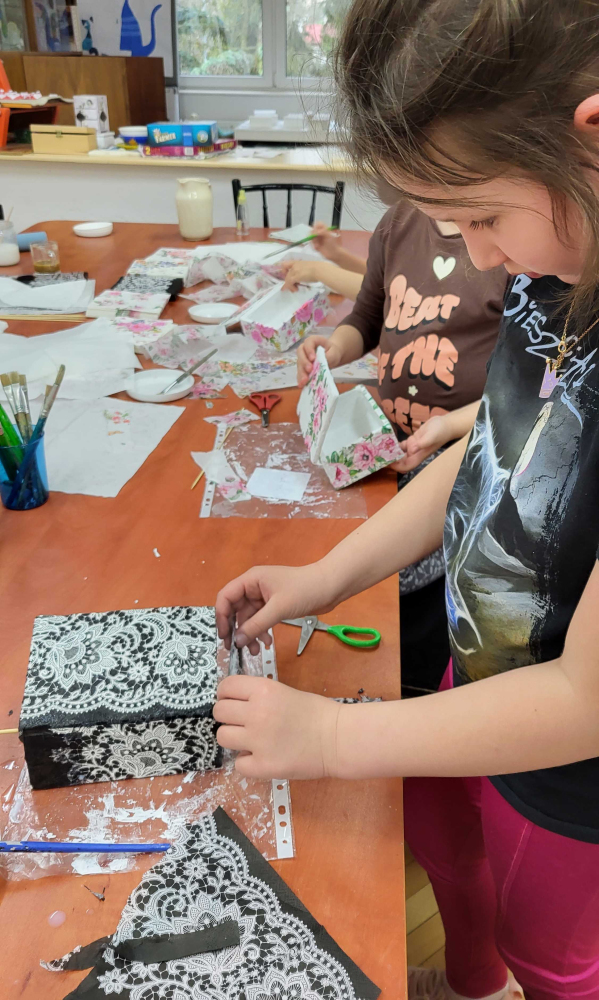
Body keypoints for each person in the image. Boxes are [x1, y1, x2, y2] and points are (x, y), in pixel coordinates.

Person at [214, 2, 599, 998]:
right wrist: (325, 575)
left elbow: (582, 698)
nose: (475, 257)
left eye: (480, 219)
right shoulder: (554, 270)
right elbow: (486, 463)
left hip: (566, 776)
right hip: (473, 687)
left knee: (548, 956)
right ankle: (473, 980)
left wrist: (332, 737)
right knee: (449, 860)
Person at [291, 206, 507, 696]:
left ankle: (412, 684)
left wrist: (448, 426)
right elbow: (368, 316)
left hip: (461, 456)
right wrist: (336, 348)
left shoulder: (503, 245)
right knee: (357, 564)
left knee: (410, 597)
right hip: (392, 448)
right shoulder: (399, 225)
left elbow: (520, 389)